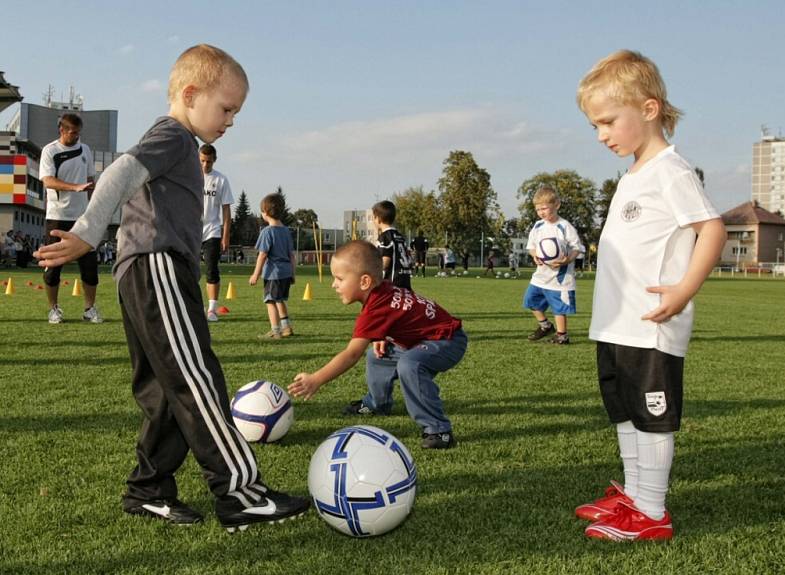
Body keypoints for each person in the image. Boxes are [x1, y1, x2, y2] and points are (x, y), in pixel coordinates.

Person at [34, 44, 309, 529]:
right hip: (157, 266)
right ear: (190, 94)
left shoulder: (176, 141)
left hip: (142, 271)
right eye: (226, 108)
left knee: (163, 390)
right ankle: (240, 494)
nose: (230, 121)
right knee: (197, 380)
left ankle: (149, 489)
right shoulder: (174, 136)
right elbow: (119, 171)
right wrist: (87, 231)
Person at [574, 49, 725, 541]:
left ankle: (653, 512)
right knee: (624, 408)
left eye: (607, 122)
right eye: (595, 125)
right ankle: (634, 497)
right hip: (618, 323)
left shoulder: (671, 170)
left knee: (651, 415)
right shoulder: (635, 174)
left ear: (649, 108)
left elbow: (713, 229)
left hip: (652, 323)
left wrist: (684, 289)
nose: (601, 135)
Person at [288, 240, 467, 450]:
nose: (333, 284)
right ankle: (377, 403)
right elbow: (398, 315)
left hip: (448, 341)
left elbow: (351, 354)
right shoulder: (382, 290)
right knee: (378, 356)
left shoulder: (375, 308)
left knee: (410, 365)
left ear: (364, 282)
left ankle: (439, 430)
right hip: (429, 338)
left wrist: (316, 379)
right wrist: (381, 336)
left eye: (339, 278)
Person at [39, 113, 102, 324]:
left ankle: (89, 309)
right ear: (62, 130)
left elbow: (90, 179)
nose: (77, 137)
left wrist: (92, 206)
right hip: (57, 217)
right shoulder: (50, 151)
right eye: (73, 133)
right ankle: (53, 309)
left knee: (90, 267)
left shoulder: (85, 149)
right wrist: (75, 187)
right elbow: (48, 181)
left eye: (79, 133)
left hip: (82, 218)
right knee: (53, 267)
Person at [523, 185, 584, 345]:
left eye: (544, 208)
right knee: (530, 301)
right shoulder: (537, 226)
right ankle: (545, 326)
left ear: (556, 205)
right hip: (540, 276)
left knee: (559, 307)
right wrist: (535, 256)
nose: (541, 212)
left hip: (560, 278)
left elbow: (577, 248)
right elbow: (531, 247)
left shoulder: (565, 227)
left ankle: (562, 335)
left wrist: (568, 259)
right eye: (538, 210)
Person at [248, 192, 295, 339]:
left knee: (270, 300)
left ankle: (275, 331)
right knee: (279, 299)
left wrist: (255, 274)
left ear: (265, 213)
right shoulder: (286, 231)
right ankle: (286, 327)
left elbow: (262, 255)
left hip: (273, 273)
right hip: (286, 272)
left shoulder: (267, 232)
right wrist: (293, 274)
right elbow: (292, 255)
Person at [199, 143, 234, 322]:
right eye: (203, 161)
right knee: (187, 270)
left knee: (212, 269)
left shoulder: (221, 180)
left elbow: (226, 210)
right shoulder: (189, 176)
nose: (205, 165)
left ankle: (212, 309)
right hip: (190, 230)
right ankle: (193, 306)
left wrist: (225, 234)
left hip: (212, 231)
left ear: (215, 160)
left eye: (209, 162)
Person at [372, 200, 413, 290]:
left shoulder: (385, 237)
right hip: (405, 280)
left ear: (378, 219)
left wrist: (373, 274)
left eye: (373, 218)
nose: (373, 221)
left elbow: (385, 261)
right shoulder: (400, 236)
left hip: (392, 282)